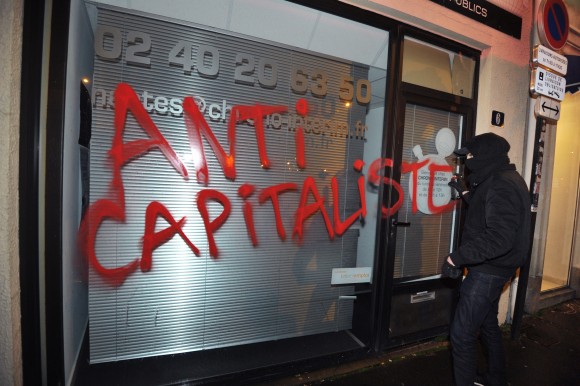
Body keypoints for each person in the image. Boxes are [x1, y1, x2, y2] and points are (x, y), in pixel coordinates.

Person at [442, 132, 531, 386]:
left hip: (488, 272)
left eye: (471, 155)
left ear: (486, 155)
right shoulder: (504, 179)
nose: (468, 160)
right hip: (498, 270)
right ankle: (496, 378)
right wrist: (466, 193)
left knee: (461, 335)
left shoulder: (500, 184)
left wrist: (455, 258)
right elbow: (489, 212)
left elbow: (499, 237)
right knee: (489, 325)